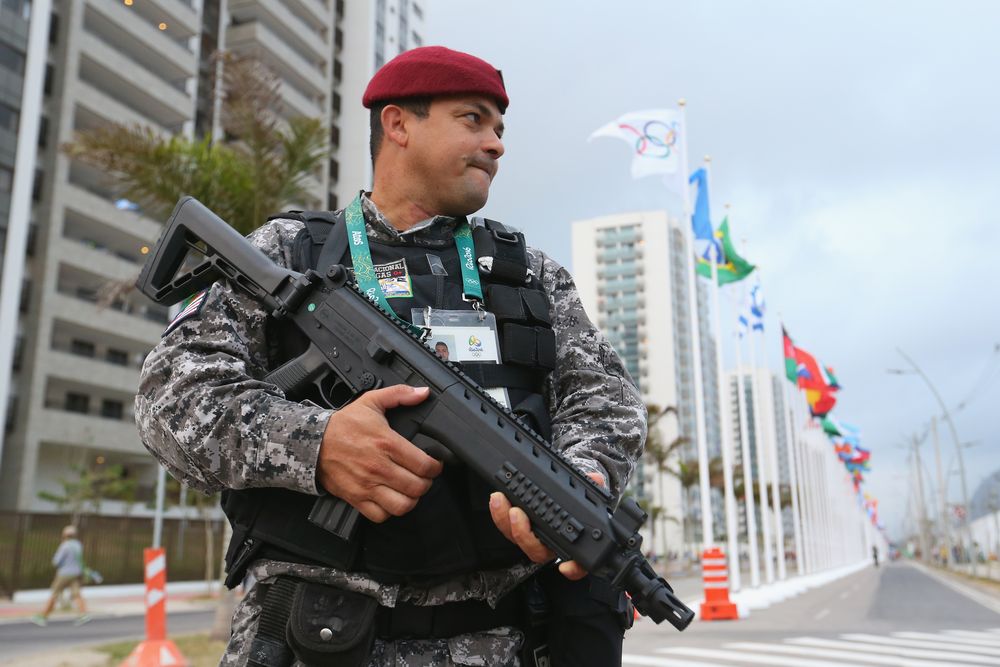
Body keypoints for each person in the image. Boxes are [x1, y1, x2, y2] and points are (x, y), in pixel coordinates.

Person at [136, 45, 645, 666]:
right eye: (473, 119)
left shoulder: (531, 275)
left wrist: (583, 479)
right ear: (398, 124)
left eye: (500, 128)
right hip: (315, 637)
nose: (497, 144)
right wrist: (316, 444)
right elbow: (172, 399)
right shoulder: (286, 254)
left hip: (507, 638)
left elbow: (607, 402)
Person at [32, 525, 89, 626]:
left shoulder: (65, 546)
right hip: (76, 573)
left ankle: (43, 616)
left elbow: (56, 561)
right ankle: (84, 614)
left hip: (64, 574)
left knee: (54, 593)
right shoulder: (78, 545)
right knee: (76, 594)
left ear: (65, 535)